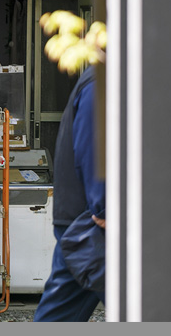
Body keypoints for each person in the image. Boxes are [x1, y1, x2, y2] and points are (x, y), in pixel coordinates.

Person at [33, 65, 106, 321]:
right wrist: (106, 206)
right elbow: (97, 148)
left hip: (83, 219)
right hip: (92, 221)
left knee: (61, 311)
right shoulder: (103, 82)